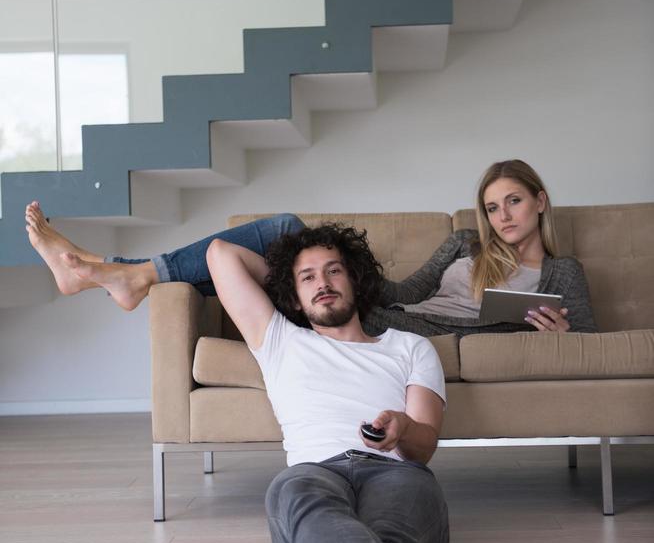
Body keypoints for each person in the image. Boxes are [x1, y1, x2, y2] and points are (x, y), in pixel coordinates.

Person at [204, 220, 449, 543]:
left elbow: (426, 448)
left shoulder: (410, 347)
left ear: (356, 280)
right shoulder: (279, 339)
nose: (323, 284)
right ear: (292, 296)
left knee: (399, 509)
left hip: (395, 471)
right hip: (315, 472)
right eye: (309, 277)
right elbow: (220, 254)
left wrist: (402, 430)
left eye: (335, 271)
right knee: (296, 491)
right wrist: (285, 274)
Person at [24, 158, 596, 333]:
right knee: (284, 231)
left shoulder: (562, 272)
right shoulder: (464, 243)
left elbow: (591, 338)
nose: (503, 216)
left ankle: (118, 272)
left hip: (408, 333)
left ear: (541, 201)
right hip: (380, 309)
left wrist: (561, 336)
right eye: (494, 206)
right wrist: (346, 272)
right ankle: (124, 273)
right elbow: (410, 291)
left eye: (514, 202)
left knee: (270, 243)